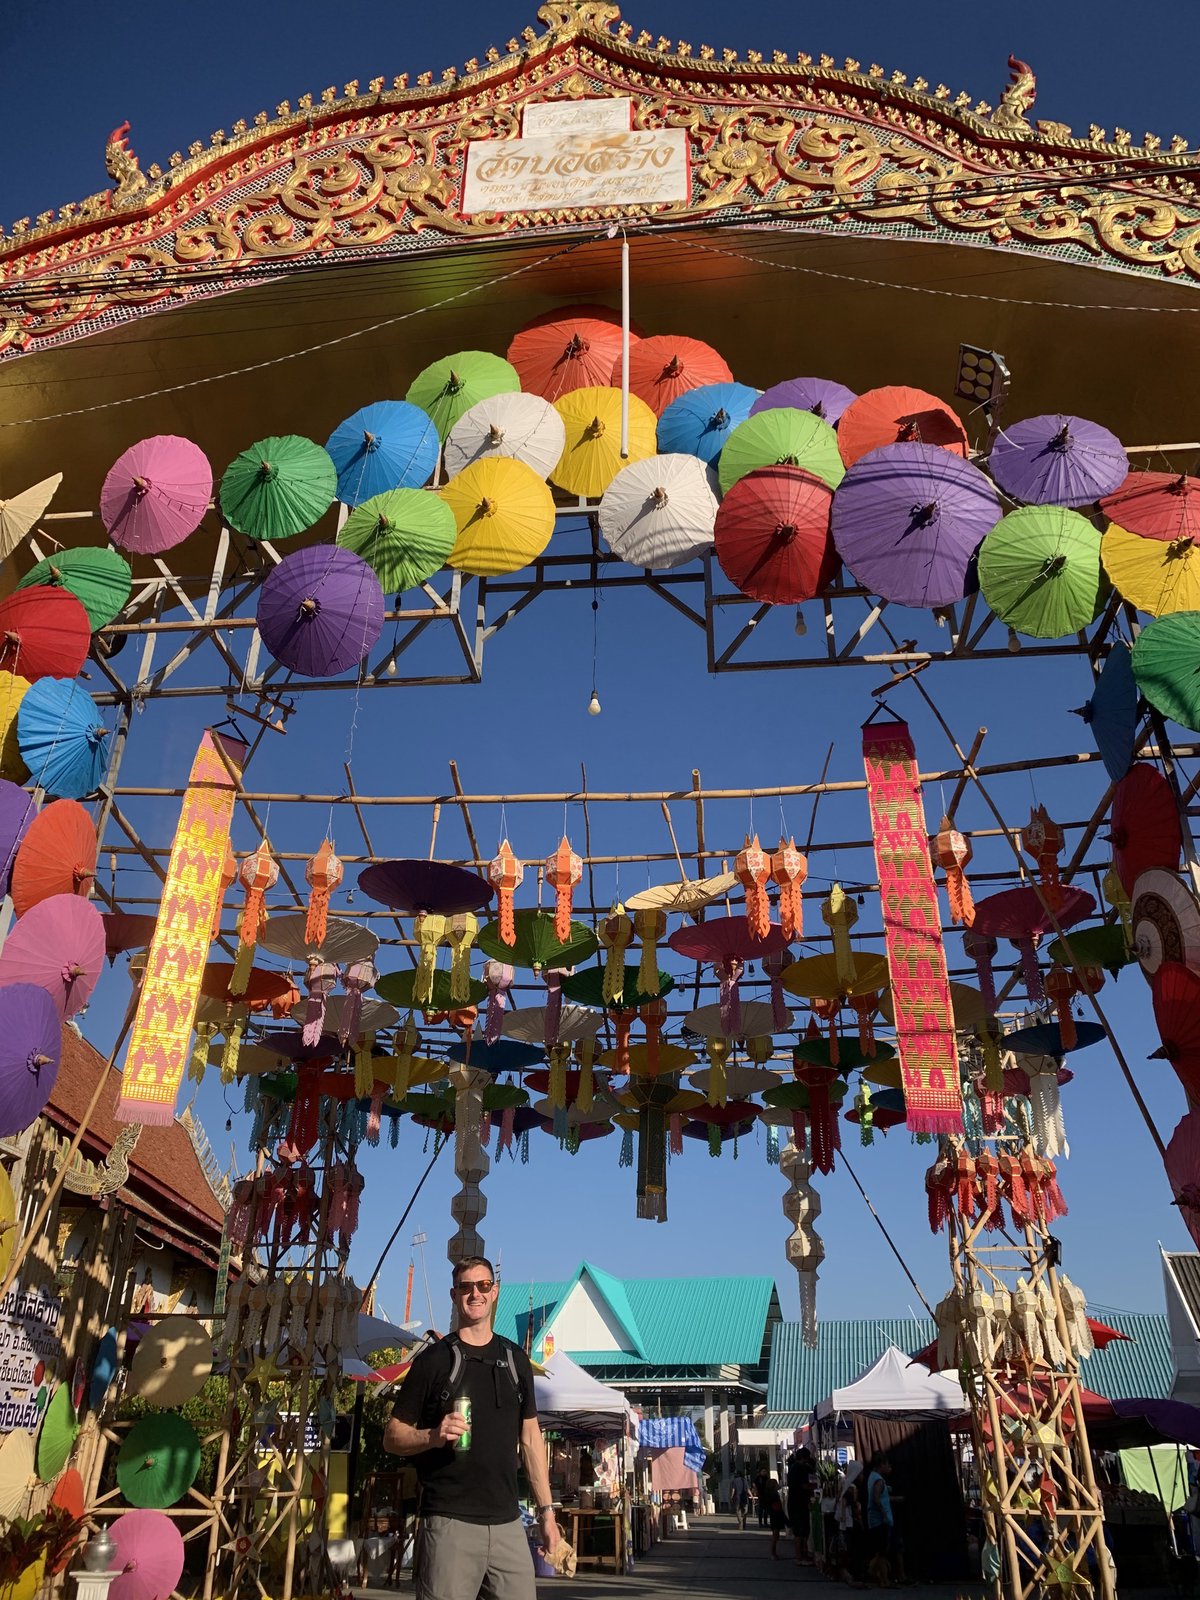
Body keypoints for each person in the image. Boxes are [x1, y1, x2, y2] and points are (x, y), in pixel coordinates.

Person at [385, 1256, 560, 1599]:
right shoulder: (433, 1361)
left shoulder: (515, 1360)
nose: (475, 1294)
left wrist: (547, 1513)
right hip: (450, 1523)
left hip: (508, 1523)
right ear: (454, 1295)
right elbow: (393, 1436)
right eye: (466, 1287)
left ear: (494, 1292)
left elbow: (530, 1439)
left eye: (483, 1285)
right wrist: (432, 1435)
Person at [866, 1454, 906, 1586]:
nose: (889, 1467)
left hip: (877, 1519)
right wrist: (883, 1514)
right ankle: (883, 1579)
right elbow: (877, 1499)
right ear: (881, 1465)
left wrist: (894, 1499)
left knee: (882, 1550)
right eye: (887, 1464)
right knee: (882, 1552)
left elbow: (881, 1498)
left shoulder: (873, 1478)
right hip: (880, 1521)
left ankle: (879, 1574)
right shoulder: (878, 1480)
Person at [834, 1460, 868, 1587]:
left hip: (848, 1523)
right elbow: (845, 1502)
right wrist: (845, 1516)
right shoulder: (851, 1488)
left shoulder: (845, 1485)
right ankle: (854, 1576)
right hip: (851, 1523)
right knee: (854, 1549)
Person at [788, 1446, 815, 1565]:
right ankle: (800, 1556)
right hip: (799, 1502)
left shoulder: (793, 1468)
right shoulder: (800, 1469)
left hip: (795, 1502)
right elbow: (804, 1485)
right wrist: (813, 1486)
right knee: (801, 1531)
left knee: (801, 1531)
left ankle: (802, 1555)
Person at [765, 1476, 788, 1559]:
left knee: (776, 1535)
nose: (779, 1485)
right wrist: (785, 1520)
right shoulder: (774, 1495)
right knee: (775, 1536)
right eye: (777, 1484)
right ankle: (773, 1553)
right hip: (776, 1516)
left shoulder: (770, 1494)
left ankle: (773, 1553)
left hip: (774, 1515)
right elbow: (777, 1508)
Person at [755, 1463, 771, 1527]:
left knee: (766, 1510)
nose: (764, 1472)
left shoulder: (767, 1478)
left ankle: (765, 1523)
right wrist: (756, 1491)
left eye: (765, 1471)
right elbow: (754, 1484)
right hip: (761, 1495)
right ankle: (760, 1523)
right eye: (763, 1471)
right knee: (761, 1510)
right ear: (760, 1472)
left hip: (766, 1495)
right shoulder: (759, 1478)